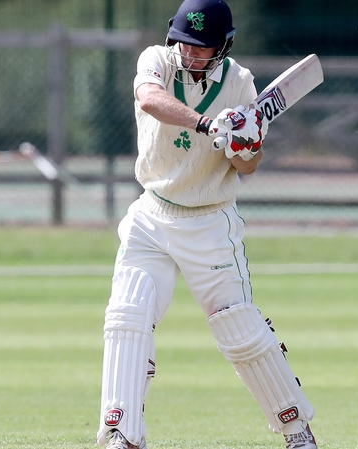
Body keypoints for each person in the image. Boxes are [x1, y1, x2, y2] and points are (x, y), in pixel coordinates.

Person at [96, 1, 317, 449]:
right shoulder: (155, 59)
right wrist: (205, 123)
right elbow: (149, 99)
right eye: (185, 43)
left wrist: (242, 142)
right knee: (128, 316)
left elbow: (248, 166)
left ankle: (297, 432)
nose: (191, 53)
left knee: (238, 328)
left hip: (209, 221)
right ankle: (123, 434)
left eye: (202, 47)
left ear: (223, 46)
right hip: (152, 214)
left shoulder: (240, 82)